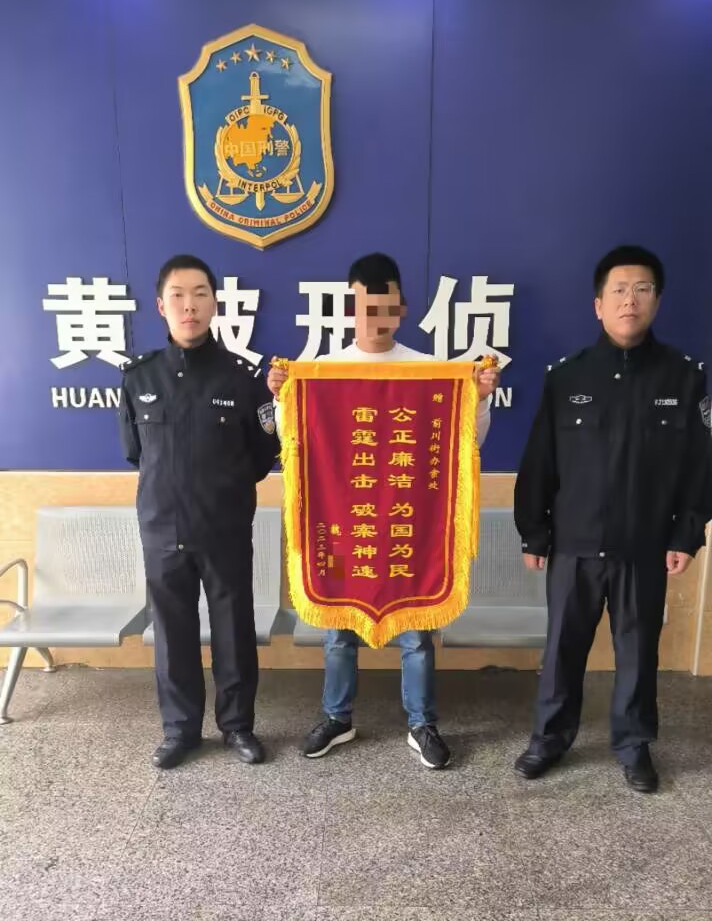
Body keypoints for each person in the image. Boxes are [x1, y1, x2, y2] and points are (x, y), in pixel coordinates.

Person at [267, 253, 500, 769]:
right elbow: (293, 444)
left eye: (386, 306)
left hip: (407, 524)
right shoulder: (322, 371)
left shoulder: (431, 371)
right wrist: (282, 399)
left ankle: (422, 723)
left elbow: (468, 445)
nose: (376, 317)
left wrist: (480, 399)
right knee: (338, 627)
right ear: (350, 310)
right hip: (344, 523)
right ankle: (337, 718)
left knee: (416, 631)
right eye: (365, 307)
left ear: (402, 309)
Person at [513, 245, 712, 792]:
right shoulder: (567, 377)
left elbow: (700, 465)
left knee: (638, 652)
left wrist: (686, 534)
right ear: (598, 305)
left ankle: (633, 745)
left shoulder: (683, 378)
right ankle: (549, 739)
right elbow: (540, 461)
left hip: (644, 545)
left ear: (657, 301)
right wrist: (534, 532)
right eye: (619, 291)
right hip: (573, 543)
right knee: (562, 649)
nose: (630, 300)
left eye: (642, 290)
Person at [119, 254, 280, 769]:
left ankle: (238, 727)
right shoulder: (138, 377)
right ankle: (180, 730)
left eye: (200, 295)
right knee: (172, 633)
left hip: (224, 526)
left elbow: (263, 454)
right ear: (160, 306)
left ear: (214, 303)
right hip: (161, 527)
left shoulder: (241, 378)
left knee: (234, 628)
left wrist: (221, 490)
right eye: (178, 296)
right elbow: (135, 453)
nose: (189, 306)